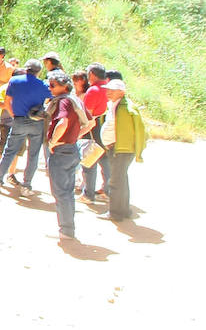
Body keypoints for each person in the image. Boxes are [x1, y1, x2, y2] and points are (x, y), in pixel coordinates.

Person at [0, 59, 50, 196]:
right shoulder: (43, 85)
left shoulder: (15, 81)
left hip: (19, 120)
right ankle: (26, 186)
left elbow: (7, 102)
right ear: (39, 71)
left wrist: (14, 116)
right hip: (37, 122)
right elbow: (48, 100)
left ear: (26, 68)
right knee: (33, 155)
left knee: (9, 151)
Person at [44, 70, 84, 243]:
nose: (50, 88)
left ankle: (66, 230)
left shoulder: (63, 102)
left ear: (64, 86)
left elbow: (63, 122)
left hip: (61, 152)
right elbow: (89, 123)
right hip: (72, 149)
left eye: (53, 85)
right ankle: (68, 228)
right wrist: (74, 137)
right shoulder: (75, 100)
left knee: (60, 193)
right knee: (67, 192)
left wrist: (53, 142)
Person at [103, 78, 147, 221]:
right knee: (121, 180)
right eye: (108, 90)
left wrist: (138, 150)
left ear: (121, 92)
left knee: (115, 181)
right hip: (116, 148)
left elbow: (140, 131)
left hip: (121, 149)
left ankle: (115, 213)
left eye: (112, 90)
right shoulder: (114, 105)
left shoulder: (126, 109)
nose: (108, 93)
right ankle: (124, 210)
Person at [79, 64, 111, 203]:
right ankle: (107, 191)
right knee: (105, 160)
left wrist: (79, 131)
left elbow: (87, 114)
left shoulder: (94, 90)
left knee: (89, 160)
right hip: (106, 127)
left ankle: (88, 194)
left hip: (93, 127)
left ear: (92, 74)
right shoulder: (109, 88)